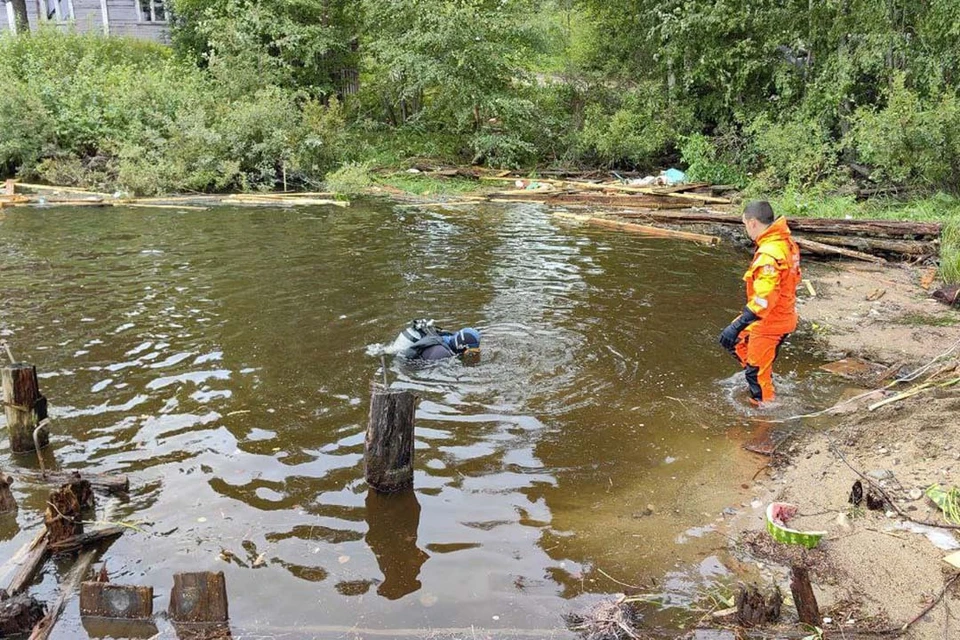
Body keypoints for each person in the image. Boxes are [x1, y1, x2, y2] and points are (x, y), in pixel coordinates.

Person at [718, 201, 801, 406]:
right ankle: (758, 369)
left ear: (753, 223)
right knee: (731, 340)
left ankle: (764, 418)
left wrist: (737, 324)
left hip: (770, 322)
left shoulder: (769, 254)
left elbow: (764, 299)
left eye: (745, 224)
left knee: (757, 376)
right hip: (779, 314)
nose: (746, 230)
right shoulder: (785, 243)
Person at [394, 320, 481, 361]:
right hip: (405, 364)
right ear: (462, 346)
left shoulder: (448, 337)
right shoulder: (442, 354)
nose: (472, 355)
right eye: (471, 352)